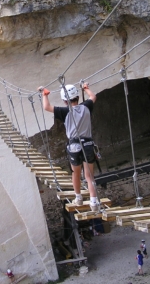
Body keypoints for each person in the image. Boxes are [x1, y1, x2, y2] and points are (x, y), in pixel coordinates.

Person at [38, 82, 100, 212]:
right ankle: (94, 203)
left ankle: (78, 198)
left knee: (75, 174)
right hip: (88, 144)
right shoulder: (86, 106)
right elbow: (93, 97)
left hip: (74, 146)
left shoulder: (64, 111)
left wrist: (45, 94)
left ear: (65, 101)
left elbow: (46, 106)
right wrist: (86, 88)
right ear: (77, 96)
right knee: (89, 176)